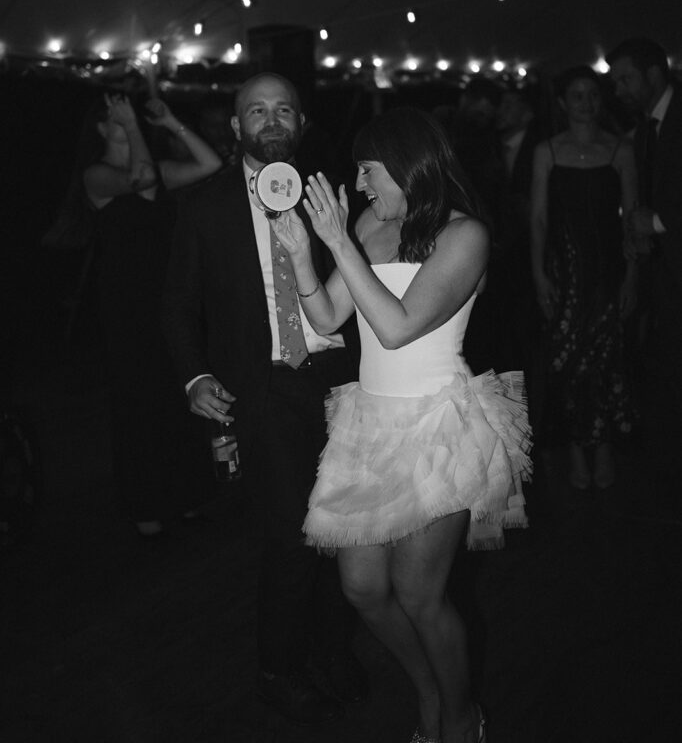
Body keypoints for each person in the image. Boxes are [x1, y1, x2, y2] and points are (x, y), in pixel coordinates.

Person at [272, 106, 532, 743]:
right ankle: (428, 690)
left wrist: (337, 243)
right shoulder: (367, 224)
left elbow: (396, 326)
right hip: (368, 421)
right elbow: (332, 315)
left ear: (408, 164)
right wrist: (307, 255)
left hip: (436, 424)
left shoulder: (463, 235)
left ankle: (460, 713)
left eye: (368, 171)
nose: (360, 186)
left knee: (420, 595)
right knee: (362, 590)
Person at [162, 73, 364, 726]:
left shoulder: (328, 197)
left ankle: (333, 656)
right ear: (236, 126)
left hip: (337, 381)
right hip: (265, 387)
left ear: (301, 123)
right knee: (287, 536)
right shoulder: (204, 204)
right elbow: (176, 308)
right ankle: (278, 670)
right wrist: (196, 378)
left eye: (283, 110)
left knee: (341, 531)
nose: (271, 121)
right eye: (257, 110)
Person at [82, 93, 222, 535]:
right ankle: (145, 507)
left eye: (125, 113)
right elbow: (140, 178)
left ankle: (182, 500)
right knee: (139, 404)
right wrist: (137, 126)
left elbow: (210, 164)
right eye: (114, 117)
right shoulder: (97, 175)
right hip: (126, 307)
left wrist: (172, 121)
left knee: (174, 397)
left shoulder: (157, 170)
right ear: (101, 129)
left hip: (165, 300)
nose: (123, 118)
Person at [530, 66, 638, 490]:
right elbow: (539, 219)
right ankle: (576, 449)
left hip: (607, 271)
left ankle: (605, 447)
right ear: (563, 103)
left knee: (608, 359)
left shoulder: (620, 150)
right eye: (577, 95)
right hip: (564, 271)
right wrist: (538, 274)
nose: (586, 103)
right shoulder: (547, 152)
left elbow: (632, 221)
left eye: (592, 94)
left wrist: (633, 277)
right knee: (566, 361)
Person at [606, 38, 682, 401]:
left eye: (626, 79)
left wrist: (657, 223)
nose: (618, 90)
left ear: (654, 74)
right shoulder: (646, 129)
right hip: (665, 274)